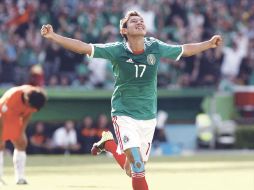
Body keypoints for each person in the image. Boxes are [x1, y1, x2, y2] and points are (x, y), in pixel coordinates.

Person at [41, 10, 222, 190]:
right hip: (124, 114)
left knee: (132, 170)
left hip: (148, 117)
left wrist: (209, 44)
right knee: (138, 166)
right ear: (124, 31)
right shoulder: (117, 50)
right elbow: (83, 47)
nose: (139, 23)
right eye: (134, 21)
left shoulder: (155, 47)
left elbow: (185, 50)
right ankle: (112, 145)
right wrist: (53, 36)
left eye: (141, 20)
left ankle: (109, 144)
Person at [0, 85, 47, 185]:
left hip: (15, 118)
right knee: (0, 145)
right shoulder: (12, 98)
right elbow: (2, 117)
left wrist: (21, 131)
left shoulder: (35, 98)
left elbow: (28, 114)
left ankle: (20, 178)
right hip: (2, 117)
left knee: (22, 143)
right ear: (26, 100)